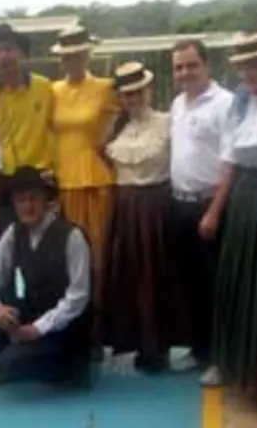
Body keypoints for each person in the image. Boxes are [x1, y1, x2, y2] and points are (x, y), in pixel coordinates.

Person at [208, 32, 257, 389]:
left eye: (256, 65)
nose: (250, 73)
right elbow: (228, 165)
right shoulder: (237, 110)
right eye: (244, 67)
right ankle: (228, 364)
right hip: (240, 203)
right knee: (234, 281)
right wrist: (214, 212)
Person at [0, 166, 92, 386]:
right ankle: (10, 362)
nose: (27, 206)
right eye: (20, 201)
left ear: (46, 201)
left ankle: (68, 367)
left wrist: (38, 329)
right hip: (32, 311)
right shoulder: (14, 232)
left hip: (65, 324)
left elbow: (78, 296)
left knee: (16, 361)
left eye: (33, 199)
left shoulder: (72, 236)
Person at [103, 62, 177, 373]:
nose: (132, 99)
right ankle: (133, 341)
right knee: (127, 276)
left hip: (155, 207)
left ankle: (157, 346)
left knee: (156, 277)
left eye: (137, 92)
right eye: (126, 94)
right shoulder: (116, 128)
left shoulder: (167, 122)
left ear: (149, 90)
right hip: (124, 207)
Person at [168, 39, 234, 372]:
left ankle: (221, 359)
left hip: (210, 205)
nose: (185, 72)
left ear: (207, 65)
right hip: (180, 205)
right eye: (179, 67)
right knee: (189, 285)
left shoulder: (226, 104)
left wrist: (214, 211)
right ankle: (199, 351)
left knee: (215, 287)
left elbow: (230, 163)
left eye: (191, 65)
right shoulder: (178, 104)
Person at [50, 26, 116, 356]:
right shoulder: (52, 91)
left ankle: (97, 331)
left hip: (95, 183)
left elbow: (121, 128)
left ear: (88, 54)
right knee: (64, 261)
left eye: (77, 53)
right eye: (66, 55)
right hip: (61, 185)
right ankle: (67, 329)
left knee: (97, 259)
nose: (72, 60)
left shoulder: (106, 88)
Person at [0, 23, 54, 249]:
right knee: (1, 249)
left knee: (43, 248)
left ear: (20, 53)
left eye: (9, 49)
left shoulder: (44, 88)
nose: (3, 56)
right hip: (0, 182)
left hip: (37, 178)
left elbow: (57, 128)